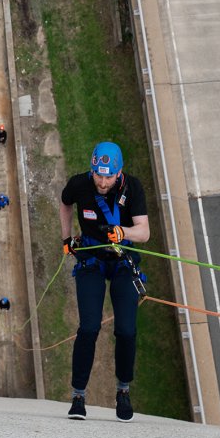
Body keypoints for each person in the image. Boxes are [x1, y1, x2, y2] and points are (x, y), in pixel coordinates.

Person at [59, 142, 149, 423]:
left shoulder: (132, 188)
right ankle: (78, 395)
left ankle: (123, 390)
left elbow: (144, 232)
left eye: (108, 176)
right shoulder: (80, 184)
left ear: (119, 173)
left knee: (126, 330)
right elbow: (65, 202)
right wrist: (66, 238)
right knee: (88, 327)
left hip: (123, 262)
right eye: (98, 174)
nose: (102, 180)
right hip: (92, 261)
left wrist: (122, 232)